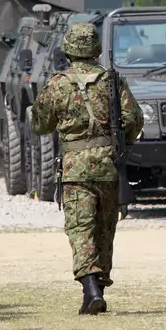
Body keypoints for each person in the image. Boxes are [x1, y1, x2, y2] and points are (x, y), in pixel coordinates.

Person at [31, 22, 143, 315]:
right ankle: (97, 290)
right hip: (109, 166)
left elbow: (40, 124)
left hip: (75, 170)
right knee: (105, 229)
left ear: (68, 49)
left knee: (81, 229)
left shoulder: (58, 83)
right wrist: (122, 142)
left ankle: (90, 289)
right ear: (95, 49)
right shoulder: (112, 81)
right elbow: (134, 119)